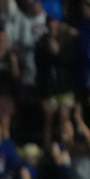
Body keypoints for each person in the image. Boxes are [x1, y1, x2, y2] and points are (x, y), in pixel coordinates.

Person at [36, 17, 76, 148]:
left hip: (65, 86)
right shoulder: (41, 42)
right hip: (48, 88)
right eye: (50, 24)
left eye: (55, 24)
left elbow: (70, 62)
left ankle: (66, 147)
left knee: (65, 117)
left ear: (58, 25)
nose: (52, 26)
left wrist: (58, 52)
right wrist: (50, 52)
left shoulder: (66, 41)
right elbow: (39, 64)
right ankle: (47, 148)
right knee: (48, 119)